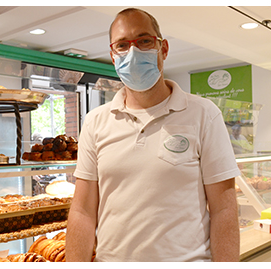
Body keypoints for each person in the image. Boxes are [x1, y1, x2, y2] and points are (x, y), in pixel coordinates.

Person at [66, 8, 241, 262]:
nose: (133, 52)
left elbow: (224, 209)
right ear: (113, 57)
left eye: (144, 41)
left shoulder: (204, 114)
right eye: (123, 45)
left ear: (164, 49)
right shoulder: (95, 121)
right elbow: (82, 212)